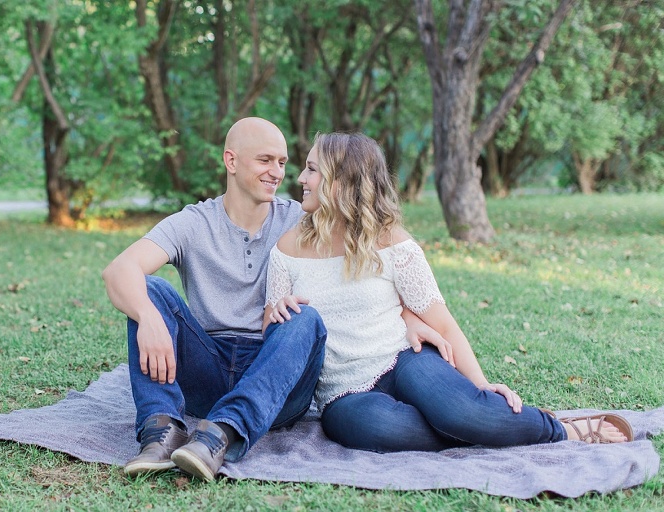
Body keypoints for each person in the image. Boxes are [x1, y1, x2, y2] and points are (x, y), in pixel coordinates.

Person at [102, 118, 443, 480]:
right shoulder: (193, 222)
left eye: (282, 162)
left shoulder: (303, 220)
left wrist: (409, 318)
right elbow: (119, 270)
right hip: (208, 369)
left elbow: (368, 267)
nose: (277, 172)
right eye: (265, 160)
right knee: (151, 290)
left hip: (280, 375)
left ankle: (222, 433)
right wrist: (149, 317)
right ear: (231, 162)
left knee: (305, 318)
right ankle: (162, 433)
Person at [264, 132, 633, 453]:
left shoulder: (394, 244)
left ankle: (560, 429)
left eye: (312, 169)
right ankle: (497, 424)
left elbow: (443, 323)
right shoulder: (287, 249)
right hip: (342, 395)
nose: (300, 177)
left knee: (461, 411)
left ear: (342, 181)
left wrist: (482, 386)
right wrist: (278, 312)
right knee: (374, 429)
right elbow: (273, 337)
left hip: (403, 359)